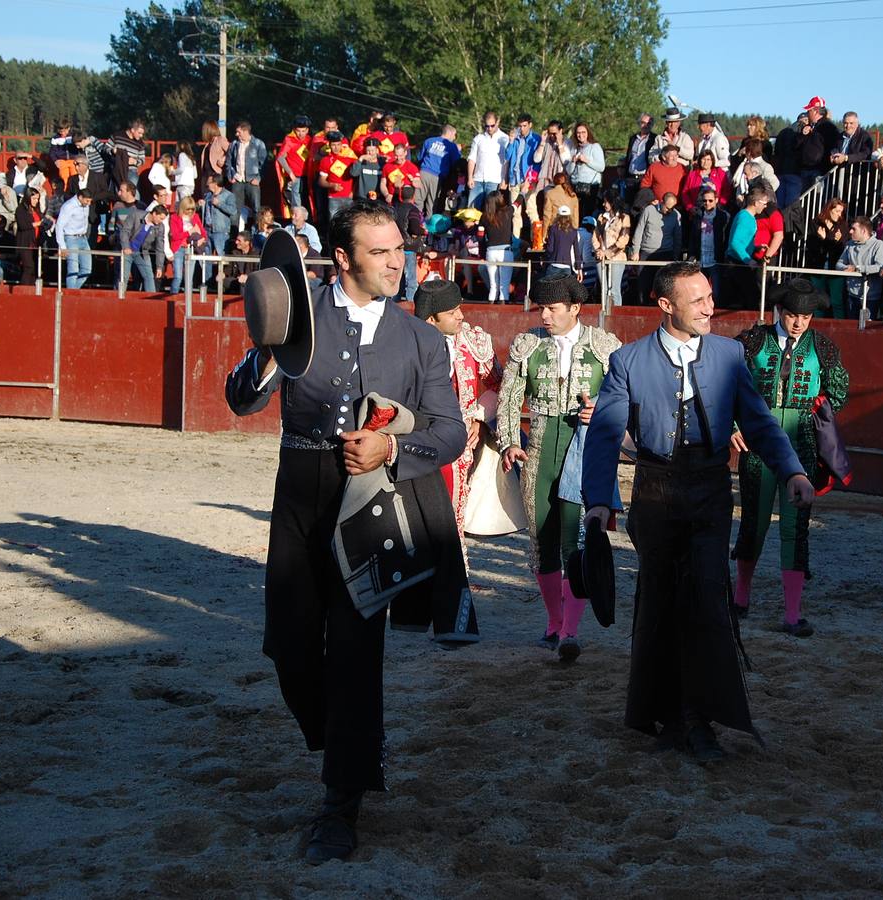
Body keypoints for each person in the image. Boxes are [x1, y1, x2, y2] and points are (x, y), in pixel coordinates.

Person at [224, 204, 470, 864]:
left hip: (372, 504)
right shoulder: (298, 314)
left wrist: (393, 449)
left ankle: (341, 803)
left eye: (400, 249)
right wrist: (268, 355)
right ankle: (344, 740)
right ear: (343, 258)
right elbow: (240, 399)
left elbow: (451, 432)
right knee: (289, 646)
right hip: (301, 491)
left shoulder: (421, 339)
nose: (399, 261)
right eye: (382, 251)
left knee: (358, 655)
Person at [580, 261, 815, 762]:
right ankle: (667, 713)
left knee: (708, 599)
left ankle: (698, 717)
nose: (711, 307)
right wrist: (600, 501)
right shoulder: (628, 360)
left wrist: (792, 470)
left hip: (710, 489)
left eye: (710, 297)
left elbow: (760, 422)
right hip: (655, 492)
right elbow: (602, 437)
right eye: (699, 300)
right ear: (666, 306)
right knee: (661, 600)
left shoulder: (730, 354)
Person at [497, 274, 621, 661]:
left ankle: (569, 630)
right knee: (541, 538)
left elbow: (623, 396)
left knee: (576, 541)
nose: (545, 315)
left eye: (552, 308)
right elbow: (508, 398)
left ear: (574, 309)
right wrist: (509, 441)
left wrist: (599, 406)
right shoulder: (527, 344)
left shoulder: (605, 346)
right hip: (538, 448)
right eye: (541, 308)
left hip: (583, 449)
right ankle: (553, 622)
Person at [731, 278, 849, 630]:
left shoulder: (823, 349)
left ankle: (792, 613)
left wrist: (820, 407)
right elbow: (727, 388)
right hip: (758, 443)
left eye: (806, 316)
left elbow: (840, 390)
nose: (799, 322)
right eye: (793, 315)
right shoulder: (752, 342)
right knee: (753, 523)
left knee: (796, 529)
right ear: (779, 311)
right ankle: (741, 598)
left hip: (802, 445)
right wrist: (735, 426)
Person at [415, 279, 504, 543]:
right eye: (452, 312)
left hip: (458, 441)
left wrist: (479, 417)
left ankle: (454, 577)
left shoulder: (471, 341)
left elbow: (500, 386)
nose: (461, 316)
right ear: (431, 319)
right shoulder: (408, 342)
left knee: (453, 514)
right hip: (417, 440)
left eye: (459, 308)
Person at [629, 190, 681, 305]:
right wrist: (635, 251)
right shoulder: (649, 210)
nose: (669, 211)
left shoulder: (676, 215)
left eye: (672, 208)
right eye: (667, 208)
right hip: (646, 253)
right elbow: (639, 231)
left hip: (665, 253)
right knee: (643, 285)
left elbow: (677, 237)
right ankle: (642, 309)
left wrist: (676, 256)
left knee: (663, 287)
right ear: (661, 202)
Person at [836, 216, 883, 320]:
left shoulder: (878, 245)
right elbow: (839, 264)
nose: (850, 231)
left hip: (870, 297)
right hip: (852, 295)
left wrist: (858, 269)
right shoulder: (849, 245)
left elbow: (879, 266)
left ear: (864, 231)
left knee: (867, 329)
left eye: (854, 229)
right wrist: (845, 268)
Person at [503, 113, 541, 241]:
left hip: (528, 180)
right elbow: (507, 157)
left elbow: (537, 162)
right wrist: (511, 141)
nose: (522, 129)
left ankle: (536, 242)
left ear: (530, 125)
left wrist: (530, 180)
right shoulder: (516, 139)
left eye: (525, 126)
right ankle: (515, 242)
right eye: (520, 126)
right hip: (514, 180)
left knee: (531, 211)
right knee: (515, 213)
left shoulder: (536, 139)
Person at [688, 186, 729, 303]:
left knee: (716, 293)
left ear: (716, 200)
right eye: (705, 200)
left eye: (710, 200)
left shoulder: (723, 216)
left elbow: (725, 237)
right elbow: (693, 237)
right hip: (701, 258)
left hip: (715, 259)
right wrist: (692, 254)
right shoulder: (698, 215)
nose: (707, 203)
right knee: (701, 291)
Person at [226, 121, 268, 232]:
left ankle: (257, 233)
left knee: (256, 208)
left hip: (252, 180)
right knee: (235, 209)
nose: (237, 134)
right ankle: (234, 236)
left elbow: (264, 163)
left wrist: (258, 178)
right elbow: (229, 161)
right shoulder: (234, 145)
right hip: (238, 180)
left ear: (246, 131)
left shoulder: (258, 144)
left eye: (239, 132)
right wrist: (231, 175)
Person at [468, 112, 508, 212]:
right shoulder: (478, 138)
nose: (489, 128)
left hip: (494, 181)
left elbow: (506, 162)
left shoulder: (505, 139)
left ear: (497, 122)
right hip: (477, 180)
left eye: (492, 125)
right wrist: (470, 177)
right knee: (471, 211)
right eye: (487, 126)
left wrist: (505, 179)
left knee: (491, 211)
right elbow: (472, 159)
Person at [416, 125, 459, 218]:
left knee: (418, 200)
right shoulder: (452, 146)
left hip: (423, 173)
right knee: (432, 203)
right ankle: (428, 228)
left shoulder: (429, 141)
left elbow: (420, 157)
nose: (455, 138)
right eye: (455, 135)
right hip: (437, 177)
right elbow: (456, 163)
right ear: (450, 133)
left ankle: (415, 223)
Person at [168, 196, 208, 294]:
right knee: (178, 276)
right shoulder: (174, 218)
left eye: (192, 209)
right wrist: (189, 232)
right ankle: (173, 296)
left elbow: (203, 233)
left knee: (189, 278)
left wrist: (202, 239)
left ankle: (188, 299)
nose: (190, 211)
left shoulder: (195, 217)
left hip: (191, 249)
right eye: (188, 209)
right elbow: (175, 236)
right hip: (179, 249)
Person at [57, 189, 95, 289]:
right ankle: (71, 295)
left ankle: (73, 291)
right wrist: (62, 246)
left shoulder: (85, 205)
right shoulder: (68, 206)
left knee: (87, 269)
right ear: (80, 197)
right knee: (73, 270)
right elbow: (59, 226)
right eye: (87, 201)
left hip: (83, 238)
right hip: (70, 239)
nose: (89, 204)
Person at [481, 190, 514, 302]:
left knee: (493, 286)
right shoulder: (508, 211)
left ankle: (491, 303)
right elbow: (517, 203)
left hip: (490, 252)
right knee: (504, 287)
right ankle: (503, 307)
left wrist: (482, 253)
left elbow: (480, 237)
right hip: (505, 252)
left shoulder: (485, 217)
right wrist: (522, 193)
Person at [565, 121, 605, 210]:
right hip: (575, 186)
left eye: (583, 132)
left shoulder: (595, 147)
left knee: (588, 213)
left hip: (590, 187)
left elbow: (601, 167)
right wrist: (573, 161)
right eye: (578, 133)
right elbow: (569, 171)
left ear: (588, 133)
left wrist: (586, 160)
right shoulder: (574, 148)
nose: (581, 135)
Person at [277, 116, 313, 212]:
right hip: (295, 177)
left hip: (307, 176)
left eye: (303, 131)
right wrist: (290, 173)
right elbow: (280, 158)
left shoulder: (310, 140)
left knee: (307, 201)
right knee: (296, 204)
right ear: (294, 130)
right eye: (298, 131)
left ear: (307, 130)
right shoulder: (289, 139)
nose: (301, 134)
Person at [680, 149, 728, 215]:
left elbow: (726, 190)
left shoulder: (719, 173)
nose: (706, 162)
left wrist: (721, 203)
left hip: (716, 210)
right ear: (700, 160)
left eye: (708, 159)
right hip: (697, 211)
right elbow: (685, 193)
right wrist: (690, 207)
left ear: (712, 161)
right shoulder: (692, 175)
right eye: (703, 159)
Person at [543, 205, 581, 280]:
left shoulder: (552, 229)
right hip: (567, 266)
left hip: (554, 264)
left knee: (550, 290)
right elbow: (577, 251)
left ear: (558, 216)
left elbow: (550, 249)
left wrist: (545, 259)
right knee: (565, 290)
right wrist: (579, 269)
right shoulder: (573, 231)